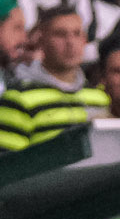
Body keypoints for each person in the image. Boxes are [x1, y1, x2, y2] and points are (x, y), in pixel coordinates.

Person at [0, 8, 106, 147]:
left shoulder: (100, 98)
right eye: (60, 34)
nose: (70, 42)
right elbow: (8, 163)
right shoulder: (17, 99)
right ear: (41, 41)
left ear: (84, 40)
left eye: (77, 33)